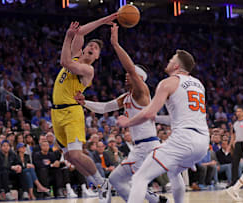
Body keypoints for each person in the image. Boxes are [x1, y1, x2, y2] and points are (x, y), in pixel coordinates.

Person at [75, 23, 166, 203]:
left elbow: (131, 68)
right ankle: (156, 201)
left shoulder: (142, 92)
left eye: (130, 74)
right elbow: (105, 107)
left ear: (139, 79)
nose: (126, 75)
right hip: (141, 147)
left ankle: (154, 201)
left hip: (147, 147)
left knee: (122, 180)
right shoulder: (126, 96)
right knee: (119, 180)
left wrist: (115, 44)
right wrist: (85, 103)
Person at [117, 49, 209, 203]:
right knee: (174, 172)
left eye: (172, 59)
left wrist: (128, 122)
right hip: (203, 141)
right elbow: (179, 118)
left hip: (183, 139)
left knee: (140, 177)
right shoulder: (199, 85)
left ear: (177, 66)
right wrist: (158, 118)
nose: (169, 61)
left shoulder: (168, 83)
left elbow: (147, 113)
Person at [51, 13, 117, 202]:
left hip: (72, 112)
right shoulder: (76, 56)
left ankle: (102, 183)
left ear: (96, 57)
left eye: (95, 48)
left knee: (75, 154)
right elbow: (80, 32)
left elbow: (64, 62)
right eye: (90, 45)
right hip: (56, 113)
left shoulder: (88, 69)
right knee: (70, 158)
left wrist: (68, 36)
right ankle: (98, 184)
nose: (92, 47)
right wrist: (103, 21)